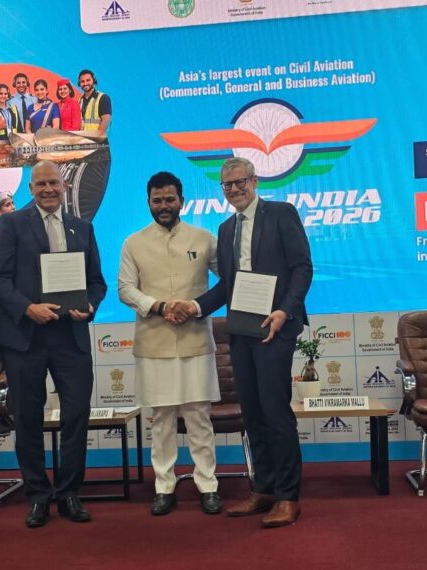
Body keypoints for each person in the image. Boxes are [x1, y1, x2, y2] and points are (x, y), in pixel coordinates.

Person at [171, 156, 312, 528]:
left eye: (240, 182)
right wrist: (195, 306)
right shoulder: (225, 228)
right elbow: (228, 285)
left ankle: (288, 496)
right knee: (251, 411)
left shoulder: (282, 213)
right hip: (242, 328)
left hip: (276, 327)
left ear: (255, 181)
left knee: (274, 410)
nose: (234, 190)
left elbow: (302, 268)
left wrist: (284, 311)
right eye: (227, 185)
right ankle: (264, 489)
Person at [0, 160, 107, 528]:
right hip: (26, 339)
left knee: (76, 416)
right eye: (41, 184)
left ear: (64, 186)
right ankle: (38, 495)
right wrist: (28, 308)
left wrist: (89, 305)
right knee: (27, 419)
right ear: (31, 189)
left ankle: (69, 493)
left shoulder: (82, 228)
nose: (48, 190)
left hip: (70, 339)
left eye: (54, 183)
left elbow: (97, 283)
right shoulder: (10, 225)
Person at [118, 171, 223, 517]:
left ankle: (207, 485)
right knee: (161, 419)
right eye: (157, 200)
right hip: (154, 342)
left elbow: (229, 282)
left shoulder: (205, 238)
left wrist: (195, 306)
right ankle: (164, 486)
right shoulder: (133, 242)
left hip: (195, 340)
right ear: (148, 202)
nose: (163, 206)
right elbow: (125, 289)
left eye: (169, 200)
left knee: (198, 417)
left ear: (182, 201)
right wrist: (160, 307)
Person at [78, 69, 111, 136]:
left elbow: (106, 120)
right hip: (83, 140)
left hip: (96, 141)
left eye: (88, 80)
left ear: (94, 80)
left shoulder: (103, 98)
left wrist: (96, 138)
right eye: (82, 81)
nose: (85, 83)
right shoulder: (80, 100)